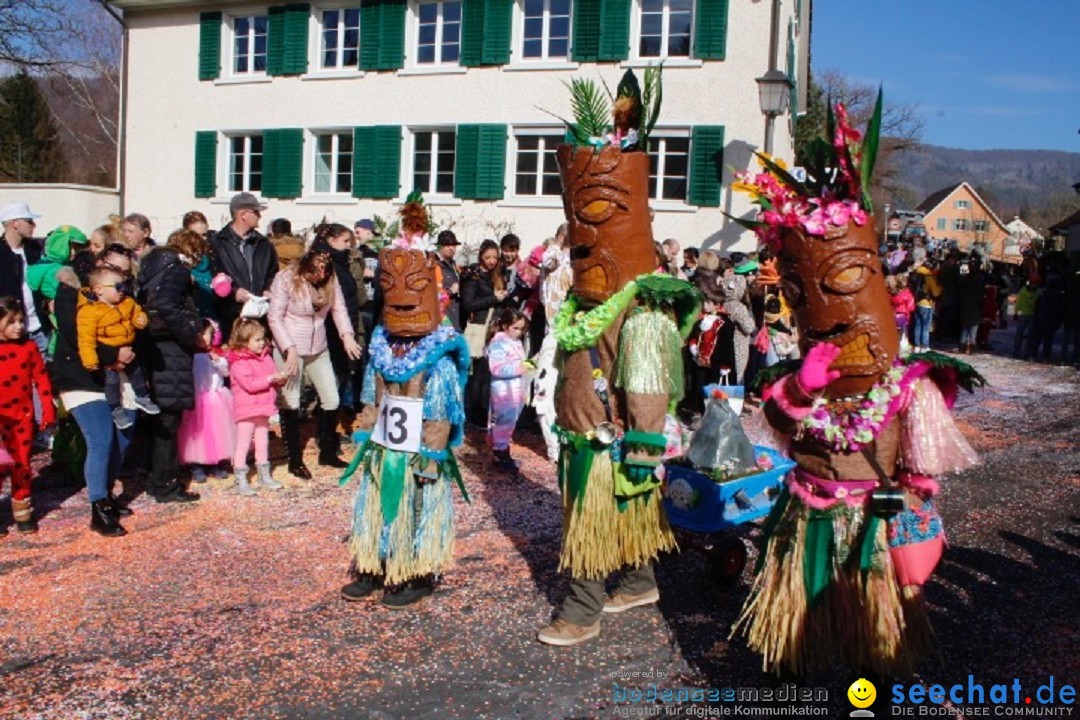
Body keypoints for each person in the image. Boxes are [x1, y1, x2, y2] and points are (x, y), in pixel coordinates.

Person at [339, 239, 471, 609]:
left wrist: (431, 457)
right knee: (378, 506)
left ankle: (417, 573)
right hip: (384, 448)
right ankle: (375, 565)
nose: (400, 300)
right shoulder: (382, 351)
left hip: (418, 452)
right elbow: (371, 397)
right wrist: (364, 437)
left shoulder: (438, 360)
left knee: (417, 509)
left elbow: (441, 414)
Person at [51, 245, 138, 535]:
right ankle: (98, 505)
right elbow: (75, 335)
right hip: (81, 376)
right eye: (118, 270)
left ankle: (107, 492)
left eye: (127, 272)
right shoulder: (70, 293)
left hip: (118, 374)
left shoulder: (121, 294)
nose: (124, 278)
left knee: (123, 438)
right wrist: (114, 354)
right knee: (100, 439)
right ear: (101, 268)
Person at [268, 248, 362, 477]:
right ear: (304, 269)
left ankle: (327, 451)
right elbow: (275, 316)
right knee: (290, 401)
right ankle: (295, 459)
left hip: (318, 346)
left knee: (331, 398)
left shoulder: (331, 278)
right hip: (290, 344)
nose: (319, 279)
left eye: (323, 275)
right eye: (314, 275)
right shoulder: (286, 278)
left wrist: (347, 335)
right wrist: (288, 348)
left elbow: (339, 309)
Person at [137, 230, 205, 503]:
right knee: (169, 418)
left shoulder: (153, 266)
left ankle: (156, 479)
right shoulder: (175, 269)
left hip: (153, 345)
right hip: (170, 347)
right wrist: (191, 330)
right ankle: (166, 484)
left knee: (160, 416)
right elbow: (166, 305)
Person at [76, 264, 161, 428]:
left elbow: (137, 312)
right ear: (99, 290)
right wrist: (90, 360)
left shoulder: (127, 303)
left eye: (124, 285)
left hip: (128, 347)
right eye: (118, 286)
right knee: (112, 382)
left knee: (137, 374)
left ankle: (143, 397)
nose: (122, 290)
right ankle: (115, 409)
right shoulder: (89, 312)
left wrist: (140, 320)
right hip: (109, 352)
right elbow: (86, 339)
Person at [0, 297, 56, 534]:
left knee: (22, 462)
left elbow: (41, 378)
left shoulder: (29, 347)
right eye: (11, 322)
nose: (19, 327)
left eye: (21, 321)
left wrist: (47, 408)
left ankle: (22, 509)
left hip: (22, 416)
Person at [226, 317, 287, 495]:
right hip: (246, 408)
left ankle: (263, 474)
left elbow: (272, 376)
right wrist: (270, 379)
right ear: (244, 342)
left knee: (262, 441)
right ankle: (240, 478)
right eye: (257, 340)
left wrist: (279, 379)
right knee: (243, 444)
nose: (262, 343)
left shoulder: (266, 358)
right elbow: (250, 385)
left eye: (263, 339)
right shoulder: (238, 362)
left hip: (263, 406)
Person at [310, 223, 366, 413]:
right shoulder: (326, 264)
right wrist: (343, 333)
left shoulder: (340, 262)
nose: (349, 245)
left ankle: (331, 421)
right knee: (331, 381)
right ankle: (326, 426)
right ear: (332, 241)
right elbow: (331, 301)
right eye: (345, 241)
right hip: (331, 330)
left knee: (339, 376)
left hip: (343, 327)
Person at [210, 193, 278, 343]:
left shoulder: (264, 244)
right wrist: (233, 291)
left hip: (260, 316)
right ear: (243, 214)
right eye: (256, 212)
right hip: (231, 315)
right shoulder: (216, 243)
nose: (259, 216)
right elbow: (213, 274)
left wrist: (268, 288)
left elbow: (273, 272)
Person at [461, 239, 513, 426]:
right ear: (481, 256)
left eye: (494, 257)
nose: (491, 261)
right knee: (477, 374)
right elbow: (468, 304)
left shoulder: (498, 274)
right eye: (487, 257)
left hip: (495, 329)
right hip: (480, 328)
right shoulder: (473, 275)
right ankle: (472, 414)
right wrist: (493, 298)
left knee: (490, 372)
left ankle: (484, 413)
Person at [177, 319, 234, 484]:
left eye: (205, 334)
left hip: (216, 398)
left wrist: (218, 360)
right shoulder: (190, 356)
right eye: (198, 334)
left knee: (217, 431)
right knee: (197, 433)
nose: (202, 337)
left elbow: (226, 372)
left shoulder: (217, 354)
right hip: (197, 398)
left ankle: (216, 462)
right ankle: (197, 464)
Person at [486, 309, 530, 473]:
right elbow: (496, 368)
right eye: (515, 328)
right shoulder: (498, 343)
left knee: (509, 421)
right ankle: (500, 452)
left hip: (515, 389)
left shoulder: (516, 342)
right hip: (503, 391)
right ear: (505, 326)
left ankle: (502, 450)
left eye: (521, 329)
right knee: (503, 422)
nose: (518, 333)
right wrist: (519, 368)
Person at [435, 230, 463, 331]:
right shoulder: (434, 265)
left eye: (454, 245)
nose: (452, 248)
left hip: (457, 317)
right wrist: (450, 291)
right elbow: (432, 296)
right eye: (447, 245)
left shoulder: (454, 265)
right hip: (443, 320)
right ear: (440, 246)